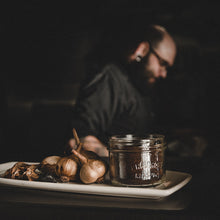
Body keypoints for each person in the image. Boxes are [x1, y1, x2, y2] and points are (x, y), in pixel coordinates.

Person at [65, 24, 176, 157]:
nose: (164, 74)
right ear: (142, 49)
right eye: (162, 63)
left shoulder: (142, 86)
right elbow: (81, 138)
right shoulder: (110, 78)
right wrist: (123, 161)